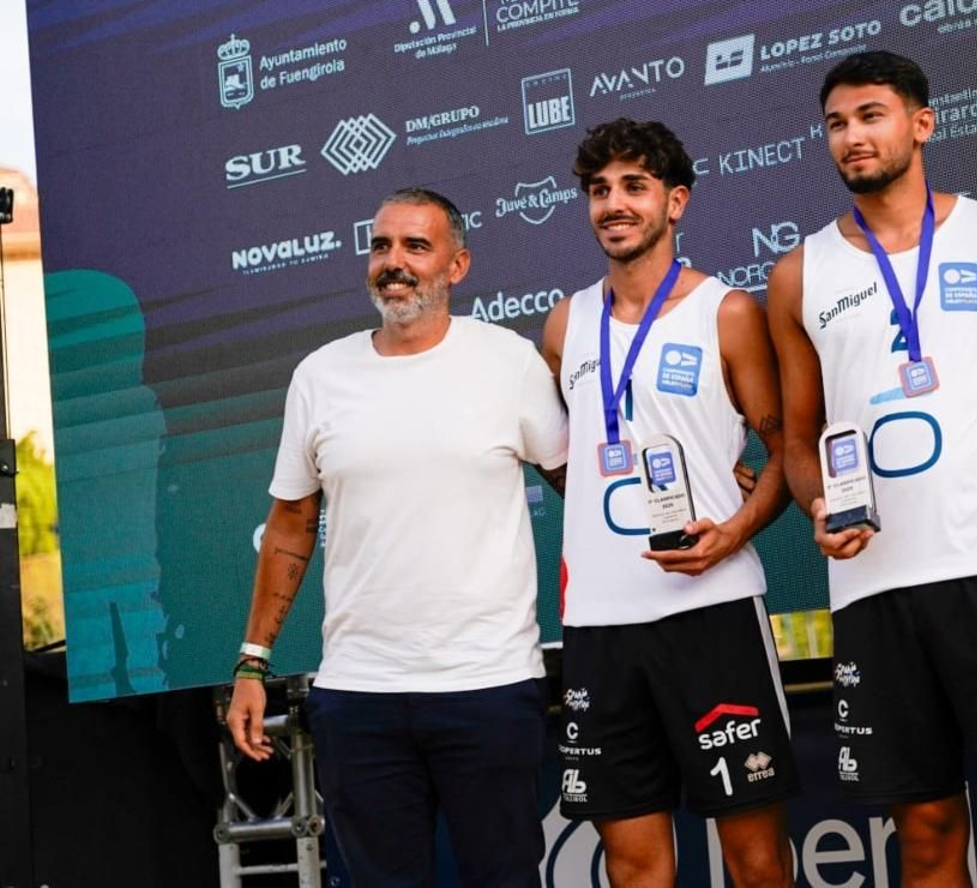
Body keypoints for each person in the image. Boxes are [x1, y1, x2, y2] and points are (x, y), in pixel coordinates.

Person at [766, 51, 977, 887]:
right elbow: (798, 441)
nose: (852, 137)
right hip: (874, 592)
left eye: (871, 115)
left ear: (922, 123)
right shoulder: (798, 273)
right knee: (922, 833)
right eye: (837, 123)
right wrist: (814, 506)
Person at [224, 187, 568, 886]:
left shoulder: (510, 363)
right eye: (381, 245)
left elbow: (585, 489)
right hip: (359, 696)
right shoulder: (319, 376)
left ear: (458, 264)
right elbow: (291, 525)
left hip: (490, 686)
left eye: (416, 245)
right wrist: (252, 663)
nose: (394, 262)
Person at [541, 118, 798, 888]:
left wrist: (734, 531)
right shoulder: (564, 324)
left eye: (633, 186)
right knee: (633, 862)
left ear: (675, 201)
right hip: (598, 624)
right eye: (598, 190)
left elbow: (788, 448)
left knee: (754, 858)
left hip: (711, 610)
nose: (613, 204)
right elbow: (570, 460)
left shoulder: (727, 312)